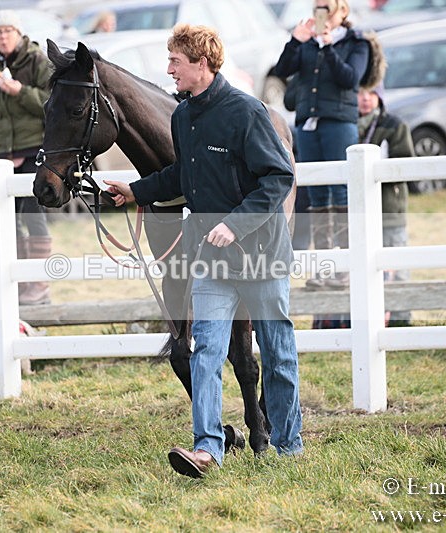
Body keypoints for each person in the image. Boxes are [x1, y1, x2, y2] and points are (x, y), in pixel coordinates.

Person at [104, 24, 303, 478]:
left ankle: (289, 448)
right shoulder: (183, 116)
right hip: (211, 260)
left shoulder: (247, 113)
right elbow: (182, 176)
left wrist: (234, 225)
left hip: (260, 256)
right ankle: (208, 448)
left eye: (176, 61)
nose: (168, 68)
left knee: (276, 353)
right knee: (206, 350)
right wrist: (134, 191)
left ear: (202, 63)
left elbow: (278, 178)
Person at [274, 0, 370, 289]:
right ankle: (325, 265)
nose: (321, 12)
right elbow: (282, 70)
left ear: (342, 10)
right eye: (317, 6)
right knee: (315, 195)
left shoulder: (356, 43)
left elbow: (351, 79)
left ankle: (346, 265)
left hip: (338, 122)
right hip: (308, 124)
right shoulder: (307, 41)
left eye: (326, 6)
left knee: (341, 192)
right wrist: (296, 41)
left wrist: (327, 47)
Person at [0, 10, 54, 306]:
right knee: (7, 222)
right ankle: (19, 283)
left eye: (8, 31)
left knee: (34, 217)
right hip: (3, 158)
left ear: (19, 33)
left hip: (34, 150)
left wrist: (20, 91)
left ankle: (39, 283)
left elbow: (52, 104)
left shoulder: (38, 61)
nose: (3, 36)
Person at [359, 84, 413, 326]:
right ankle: (369, 318)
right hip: (359, 212)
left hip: (389, 208)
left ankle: (401, 318)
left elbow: (405, 166)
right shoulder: (345, 127)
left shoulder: (394, 126)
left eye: (370, 93)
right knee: (365, 267)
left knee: (396, 264)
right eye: (359, 93)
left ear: (379, 97)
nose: (365, 99)